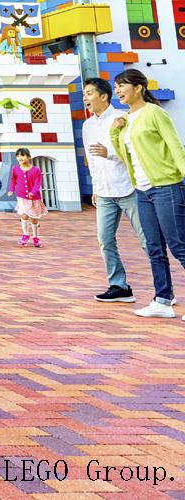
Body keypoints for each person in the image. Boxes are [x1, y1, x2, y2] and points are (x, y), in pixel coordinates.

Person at [109, 68, 185, 319]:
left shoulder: (154, 113)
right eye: (116, 86)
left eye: (122, 85)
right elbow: (125, 157)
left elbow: (175, 146)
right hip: (142, 190)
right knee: (154, 248)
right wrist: (115, 131)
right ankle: (162, 300)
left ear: (139, 87)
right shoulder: (125, 119)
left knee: (179, 245)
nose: (118, 90)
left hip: (166, 186)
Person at [82, 77, 146, 303]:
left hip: (128, 188)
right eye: (84, 94)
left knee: (147, 239)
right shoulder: (87, 125)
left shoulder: (122, 118)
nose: (85, 98)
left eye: (89, 93)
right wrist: (96, 187)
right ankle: (119, 285)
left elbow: (133, 152)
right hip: (105, 193)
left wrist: (108, 153)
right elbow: (92, 158)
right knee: (105, 239)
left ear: (104, 96)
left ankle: (165, 289)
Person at [8, 148, 45, 247]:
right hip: (22, 197)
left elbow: (38, 183)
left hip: (34, 198)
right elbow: (13, 180)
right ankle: (25, 235)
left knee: (34, 219)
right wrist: (11, 189)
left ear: (28, 157)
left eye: (22, 155)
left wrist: (33, 192)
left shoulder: (36, 170)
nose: (20, 158)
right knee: (24, 215)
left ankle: (36, 237)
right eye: (18, 156)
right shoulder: (15, 169)